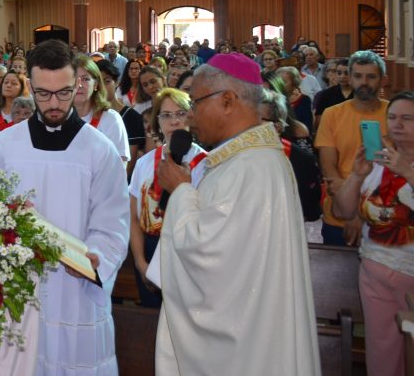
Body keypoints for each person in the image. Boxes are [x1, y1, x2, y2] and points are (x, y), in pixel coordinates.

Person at [154, 53, 319, 376]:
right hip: (255, 330)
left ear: (228, 100)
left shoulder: (250, 167)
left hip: (246, 343)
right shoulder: (251, 159)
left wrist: (182, 191)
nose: (190, 115)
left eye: (196, 103)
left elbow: (208, 254)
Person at [0, 40, 128, 374]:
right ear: (30, 87)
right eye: (44, 94)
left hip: (76, 291)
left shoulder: (99, 149)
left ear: (78, 84)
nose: (54, 103)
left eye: (63, 93)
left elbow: (113, 224)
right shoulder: (6, 144)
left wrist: (96, 258)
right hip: (18, 287)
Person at [332, 91, 414, 376]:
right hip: (375, 269)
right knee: (381, 354)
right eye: (392, 117)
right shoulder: (378, 160)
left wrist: (407, 171)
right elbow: (342, 211)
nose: (397, 125)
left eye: (407, 118)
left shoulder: (400, 163)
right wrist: (357, 175)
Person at [129, 87, 208, 308]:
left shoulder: (206, 163)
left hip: (186, 252)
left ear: (191, 117)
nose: (174, 121)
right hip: (149, 248)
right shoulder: (144, 163)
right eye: (166, 115)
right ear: (157, 122)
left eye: (181, 113)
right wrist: (140, 263)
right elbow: (133, 218)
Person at [316, 50, 389, 246]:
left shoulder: (394, 116)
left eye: (371, 77)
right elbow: (329, 170)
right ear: (350, 78)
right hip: (339, 216)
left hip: (384, 216)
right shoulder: (332, 114)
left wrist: (364, 213)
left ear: (383, 80)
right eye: (358, 76)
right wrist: (353, 213)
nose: (363, 82)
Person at [261, 89, 324, 231]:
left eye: (258, 121)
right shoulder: (233, 157)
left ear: (277, 126)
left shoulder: (301, 160)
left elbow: (310, 210)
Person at [71, 55, 130, 163]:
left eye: (85, 79)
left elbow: (120, 164)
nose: (79, 85)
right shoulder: (58, 119)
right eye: (74, 79)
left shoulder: (111, 119)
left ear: (96, 84)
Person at [97, 59, 146, 171]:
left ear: (116, 83)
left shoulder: (132, 117)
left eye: (107, 81)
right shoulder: (88, 114)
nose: (102, 87)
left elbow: (128, 165)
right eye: (98, 82)